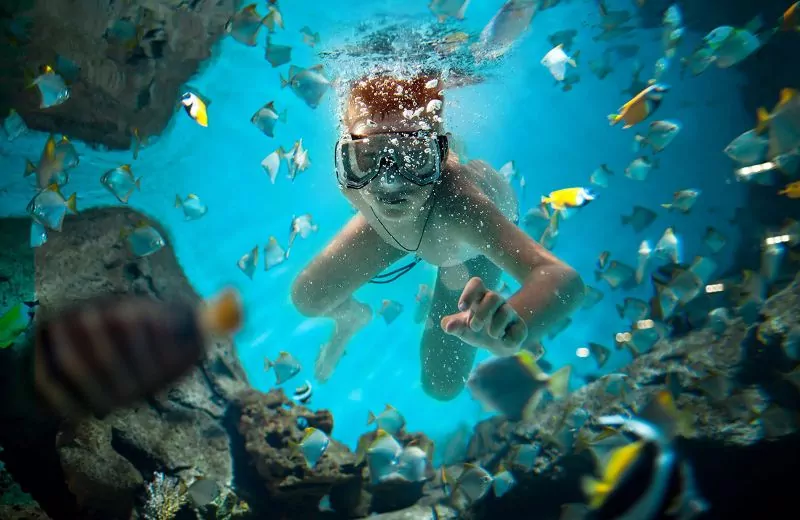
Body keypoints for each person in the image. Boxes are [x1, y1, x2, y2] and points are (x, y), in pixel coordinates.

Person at [290, 73, 585, 401]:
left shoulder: (461, 207)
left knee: (442, 383)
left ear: (441, 157)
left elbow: (562, 278)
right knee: (308, 297)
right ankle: (351, 318)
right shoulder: (355, 186)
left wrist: (518, 322)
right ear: (345, 155)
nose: (389, 183)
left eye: (415, 155)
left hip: (466, 248)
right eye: (368, 156)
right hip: (409, 227)